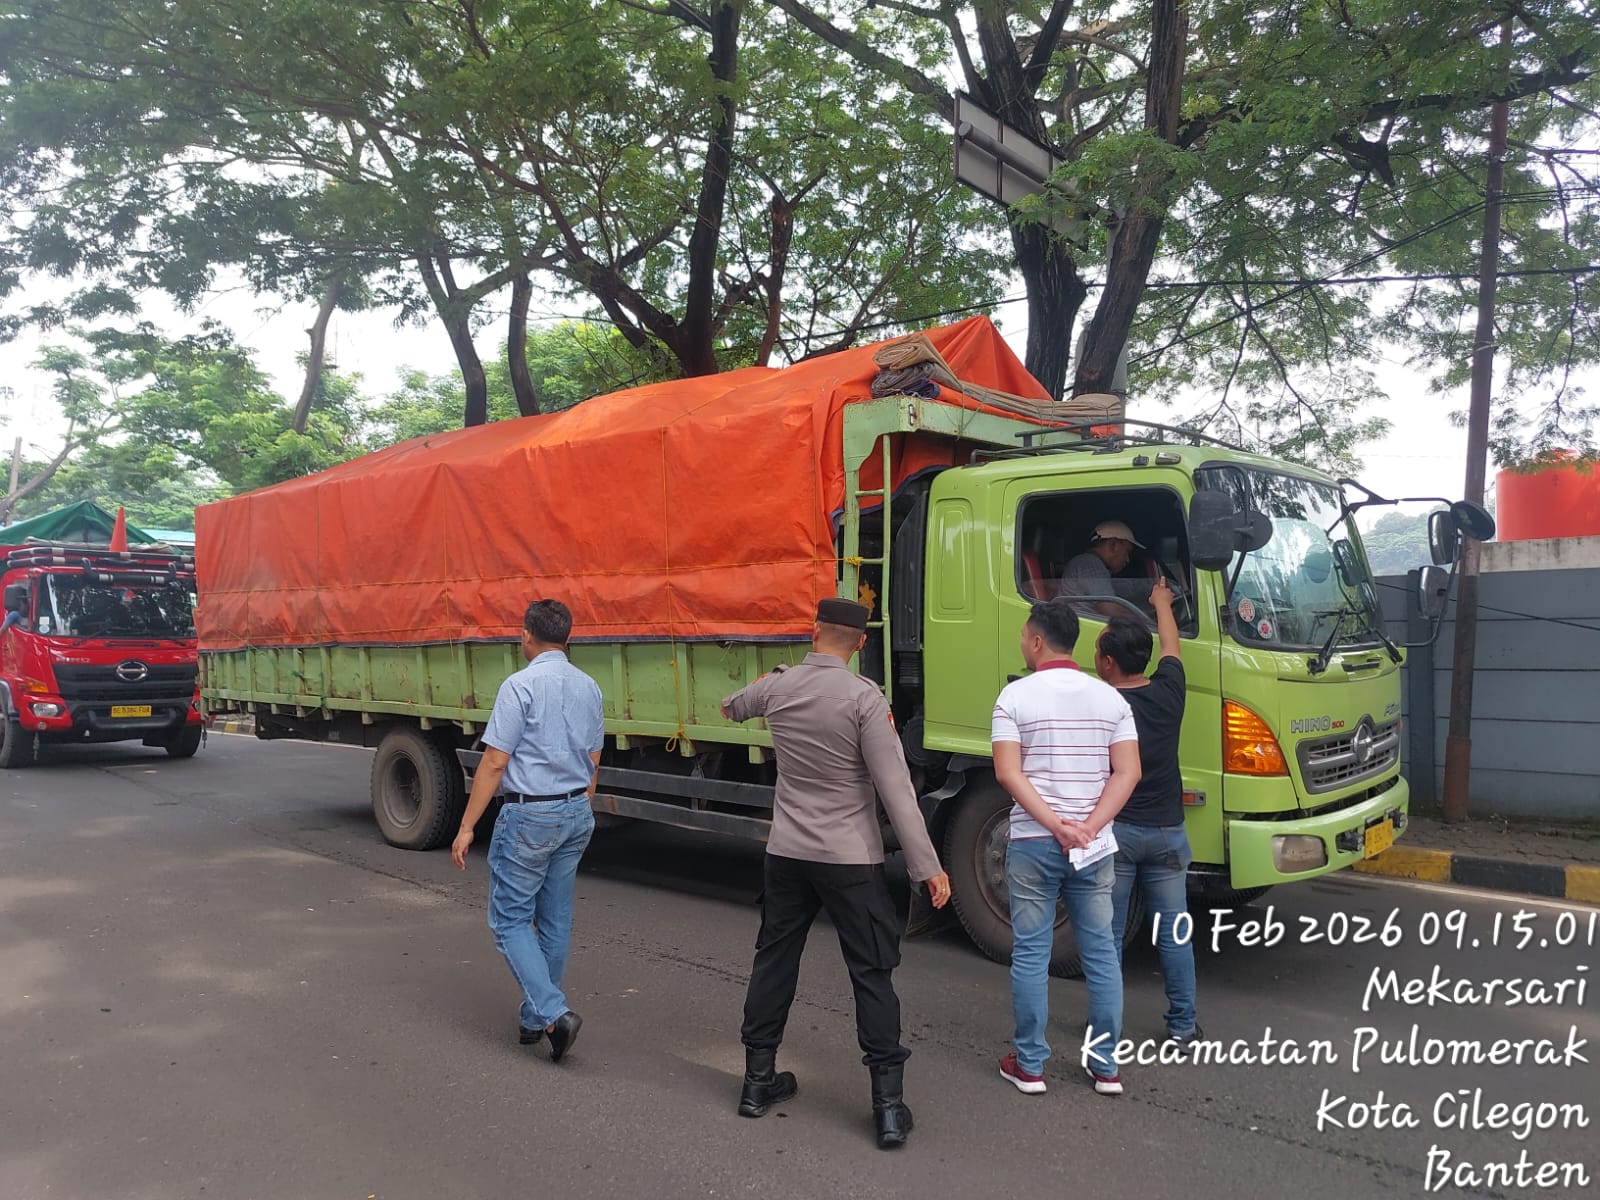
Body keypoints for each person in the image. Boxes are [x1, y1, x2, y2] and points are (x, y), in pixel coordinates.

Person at [721, 596, 952, 1150]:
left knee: (775, 959)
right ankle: (888, 1108)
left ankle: (756, 1082)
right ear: (862, 643)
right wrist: (927, 867)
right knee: (871, 972)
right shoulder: (864, 699)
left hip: (787, 854)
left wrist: (762, 686)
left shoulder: (779, 687)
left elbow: (731, 707)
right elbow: (896, 790)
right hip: (850, 859)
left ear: (814, 631)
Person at [991, 597, 1141, 1097]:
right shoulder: (1111, 700)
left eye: (1023, 637)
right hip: (1094, 848)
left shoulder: (1014, 698)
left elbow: (1008, 773)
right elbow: (1128, 772)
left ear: (1037, 641)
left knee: (1032, 953)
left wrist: (1056, 824)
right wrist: (1088, 827)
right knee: (1101, 955)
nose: (1022, 644)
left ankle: (1030, 1065)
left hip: (1034, 843)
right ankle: (1105, 1067)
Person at [451, 598, 604, 1064]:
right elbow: (594, 759)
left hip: (530, 815)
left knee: (510, 921)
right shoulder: (590, 687)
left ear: (526, 636)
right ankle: (536, 1018)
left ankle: (554, 1013)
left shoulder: (519, 686)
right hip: (576, 810)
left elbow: (495, 762)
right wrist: (578, 807)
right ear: (569, 638)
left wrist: (466, 826)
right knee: (554, 920)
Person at [1095, 579, 1202, 1053]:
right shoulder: (1170, 690)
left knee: (1108, 935)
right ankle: (1183, 1027)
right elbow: (1172, 646)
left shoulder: (1103, 705)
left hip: (1117, 834)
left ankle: (1106, 1029)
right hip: (1167, 833)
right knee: (1175, 935)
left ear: (1108, 662)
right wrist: (1162, 604)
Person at [1060, 519, 1154, 619]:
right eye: (1127, 551)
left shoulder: (1085, 563)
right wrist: (1146, 619)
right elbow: (1110, 610)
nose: (1127, 559)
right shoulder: (1091, 563)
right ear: (1113, 545)